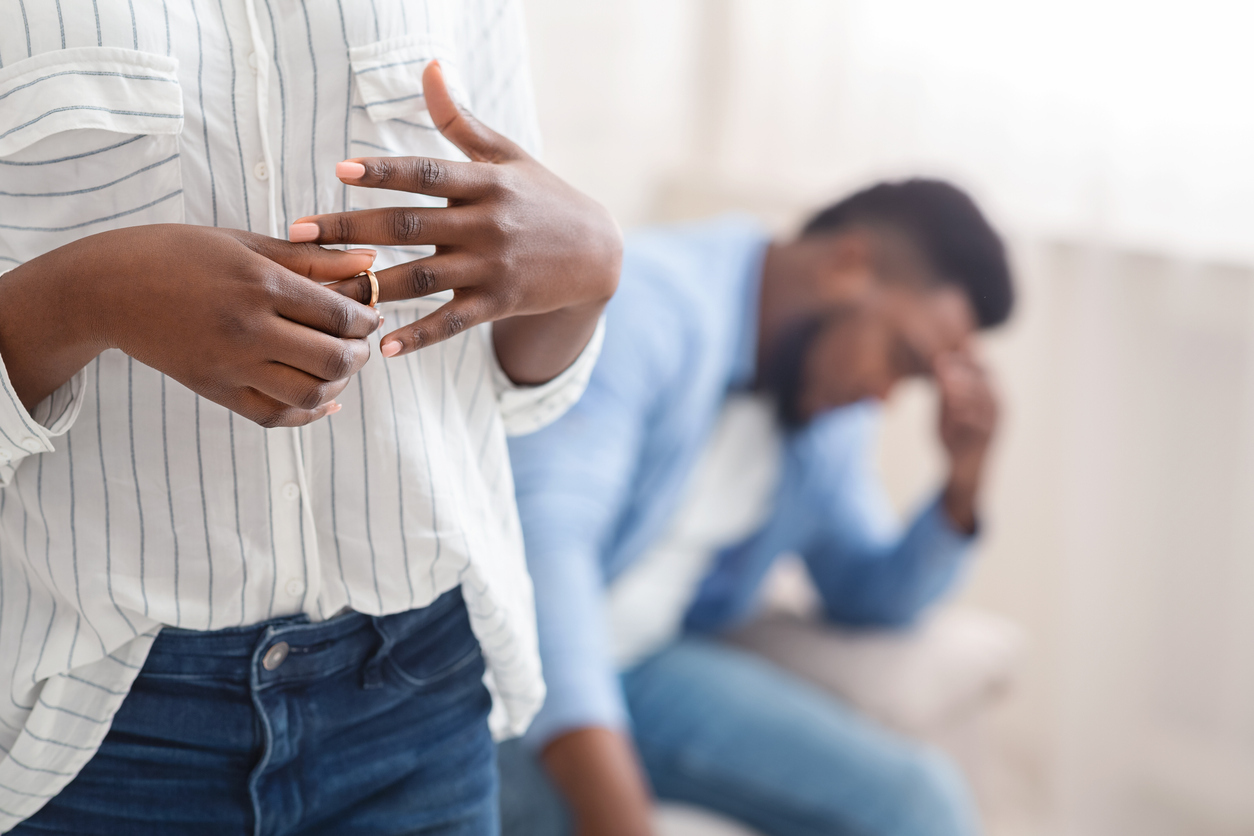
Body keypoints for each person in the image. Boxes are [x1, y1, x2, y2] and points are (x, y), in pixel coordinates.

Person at [0, 2, 620, 833]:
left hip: (421, 696)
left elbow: (512, 370)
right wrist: (88, 296)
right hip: (98, 727)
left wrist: (591, 269)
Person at [498, 179, 1014, 836]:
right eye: (901, 359)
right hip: (507, 668)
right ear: (845, 265)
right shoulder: (650, 300)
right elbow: (549, 547)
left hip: (647, 666)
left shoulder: (826, 406)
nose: (885, 396)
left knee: (921, 804)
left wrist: (962, 486)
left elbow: (862, 591)